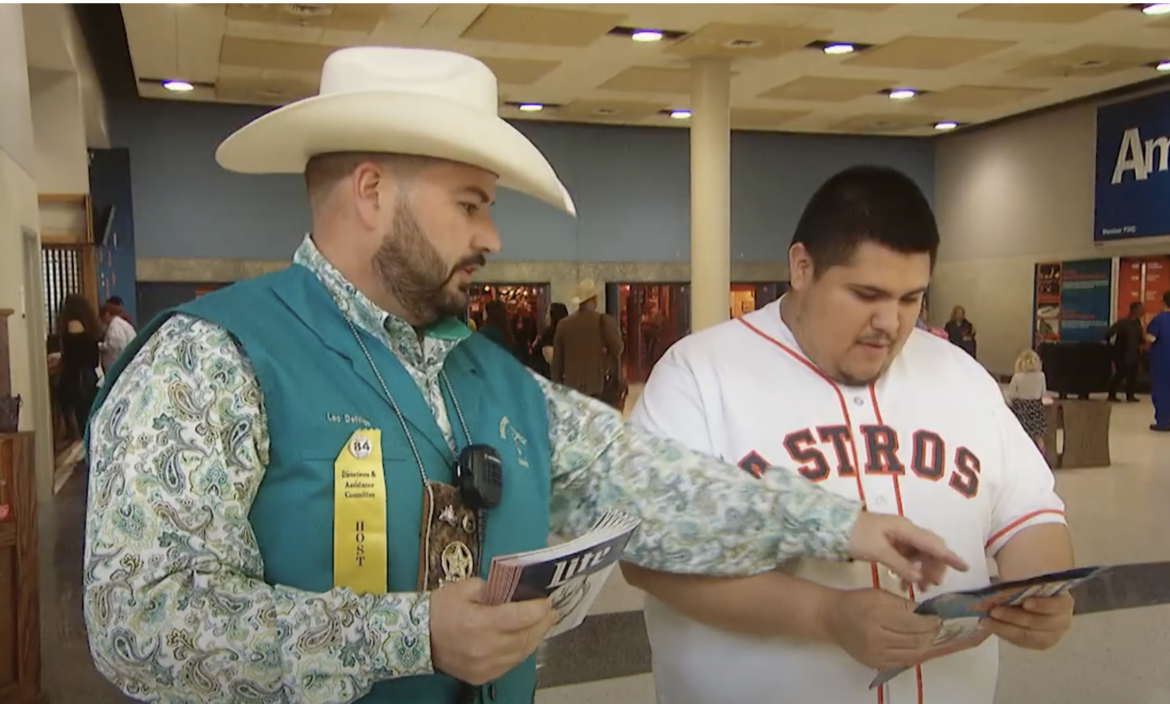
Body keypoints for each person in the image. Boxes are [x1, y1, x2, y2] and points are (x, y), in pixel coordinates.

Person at [81, 49, 964, 704]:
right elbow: (140, 622)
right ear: (372, 191)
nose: (493, 237)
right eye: (471, 203)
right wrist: (416, 631)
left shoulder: (496, 382)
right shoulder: (212, 359)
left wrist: (844, 524)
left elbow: (657, 490)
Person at [625, 165, 1073, 704]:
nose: (891, 322)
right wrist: (825, 613)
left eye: (911, 299)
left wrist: (1042, 592)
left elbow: (1031, 515)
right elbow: (646, 554)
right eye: (866, 294)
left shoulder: (960, 376)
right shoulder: (700, 375)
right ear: (802, 267)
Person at [552, 280, 623, 402]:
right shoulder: (603, 321)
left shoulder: (563, 324)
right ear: (594, 300)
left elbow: (557, 362)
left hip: (571, 386)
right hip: (597, 385)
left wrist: (557, 386)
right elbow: (618, 349)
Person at [56, 293, 101, 441]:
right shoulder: (89, 324)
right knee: (88, 416)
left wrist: (60, 359)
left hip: (77, 379)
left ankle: (80, 449)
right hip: (90, 376)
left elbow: (75, 355)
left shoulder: (73, 324)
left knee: (77, 417)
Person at [1005, 349, 1049, 453]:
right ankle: (1041, 456)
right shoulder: (1041, 376)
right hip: (1036, 408)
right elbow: (1043, 393)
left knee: (1020, 435)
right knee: (1038, 437)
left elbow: (1011, 394)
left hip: (1021, 409)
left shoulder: (1017, 377)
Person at [1105, 301, 1145, 403]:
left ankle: (1130, 395)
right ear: (1134, 310)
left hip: (1134, 353)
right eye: (1141, 308)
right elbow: (1109, 333)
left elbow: (1140, 338)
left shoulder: (1138, 323)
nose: (1143, 310)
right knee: (1120, 373)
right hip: (1122, 353)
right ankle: (1112, 394)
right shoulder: (1123, 323)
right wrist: (1110, 345)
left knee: (1133, 375)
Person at [1146, 291, 1170, 431]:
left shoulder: (1160, 319)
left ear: (1163, 302)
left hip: (1163, 361)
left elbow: (1151, 338)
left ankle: (1163, 422)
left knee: (1162, 392)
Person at [98, 301, 137, 370]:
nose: (102, 320)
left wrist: (101, 346)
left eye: (102, 317)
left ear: (107, 314)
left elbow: (116, 344)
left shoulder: (115, 326)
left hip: (119, 364)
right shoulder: (120, 323)